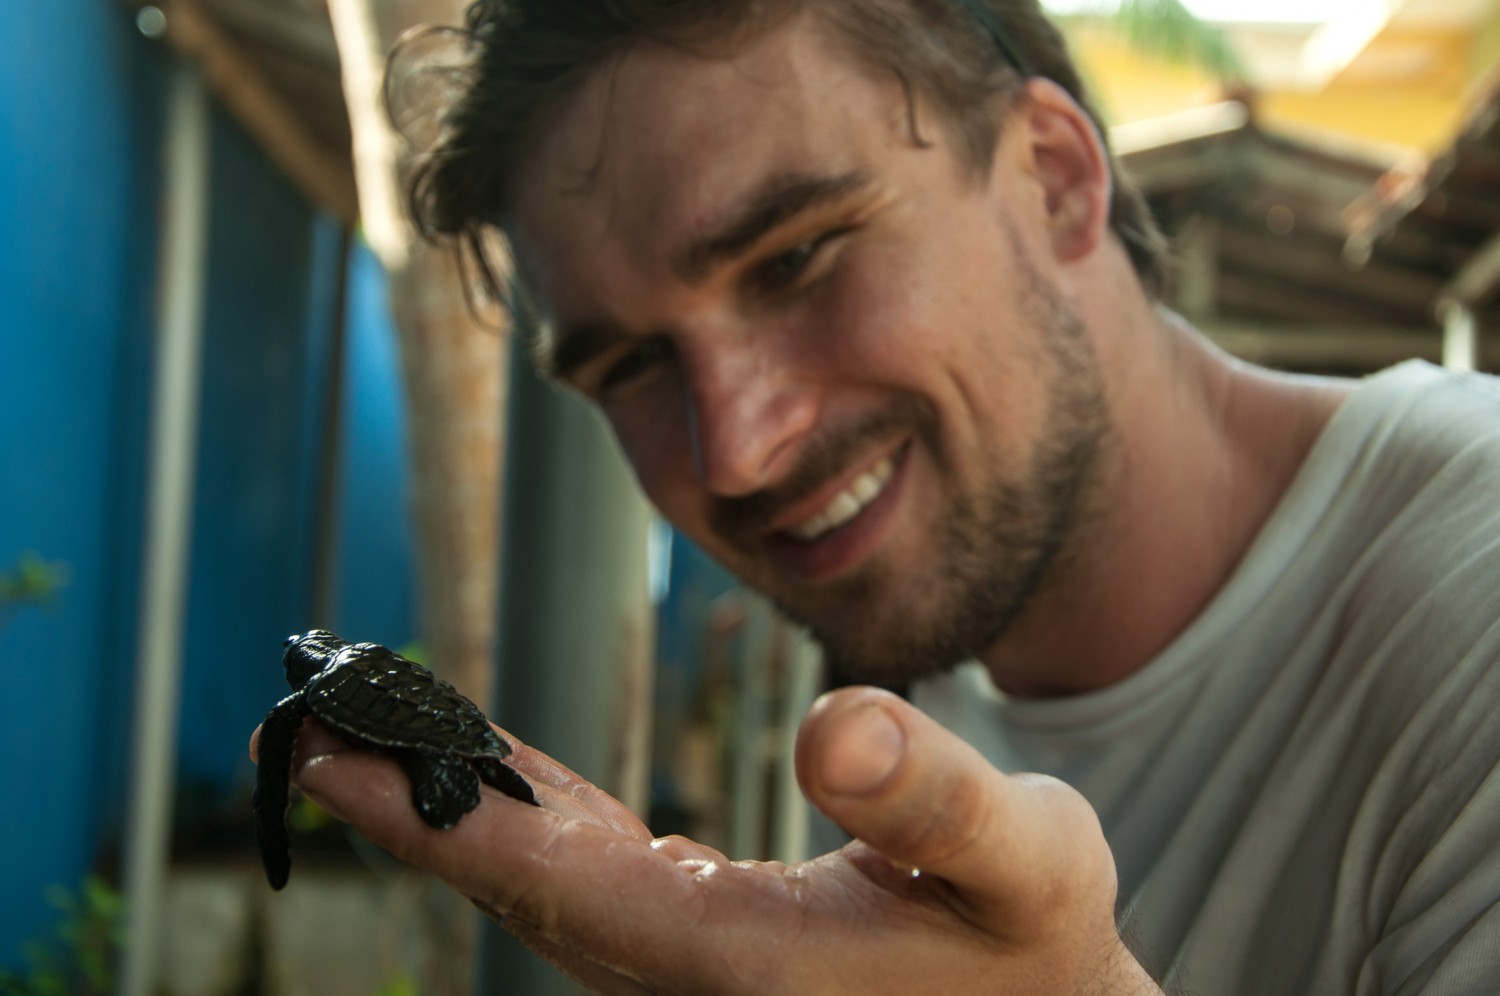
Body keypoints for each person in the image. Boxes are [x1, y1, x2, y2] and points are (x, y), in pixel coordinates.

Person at [258, 0, 1500, 992]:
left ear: (1060, 182)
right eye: (632, 365)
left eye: (795, 256)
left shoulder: (1472, 594)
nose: (736, 451)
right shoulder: (938, 657)